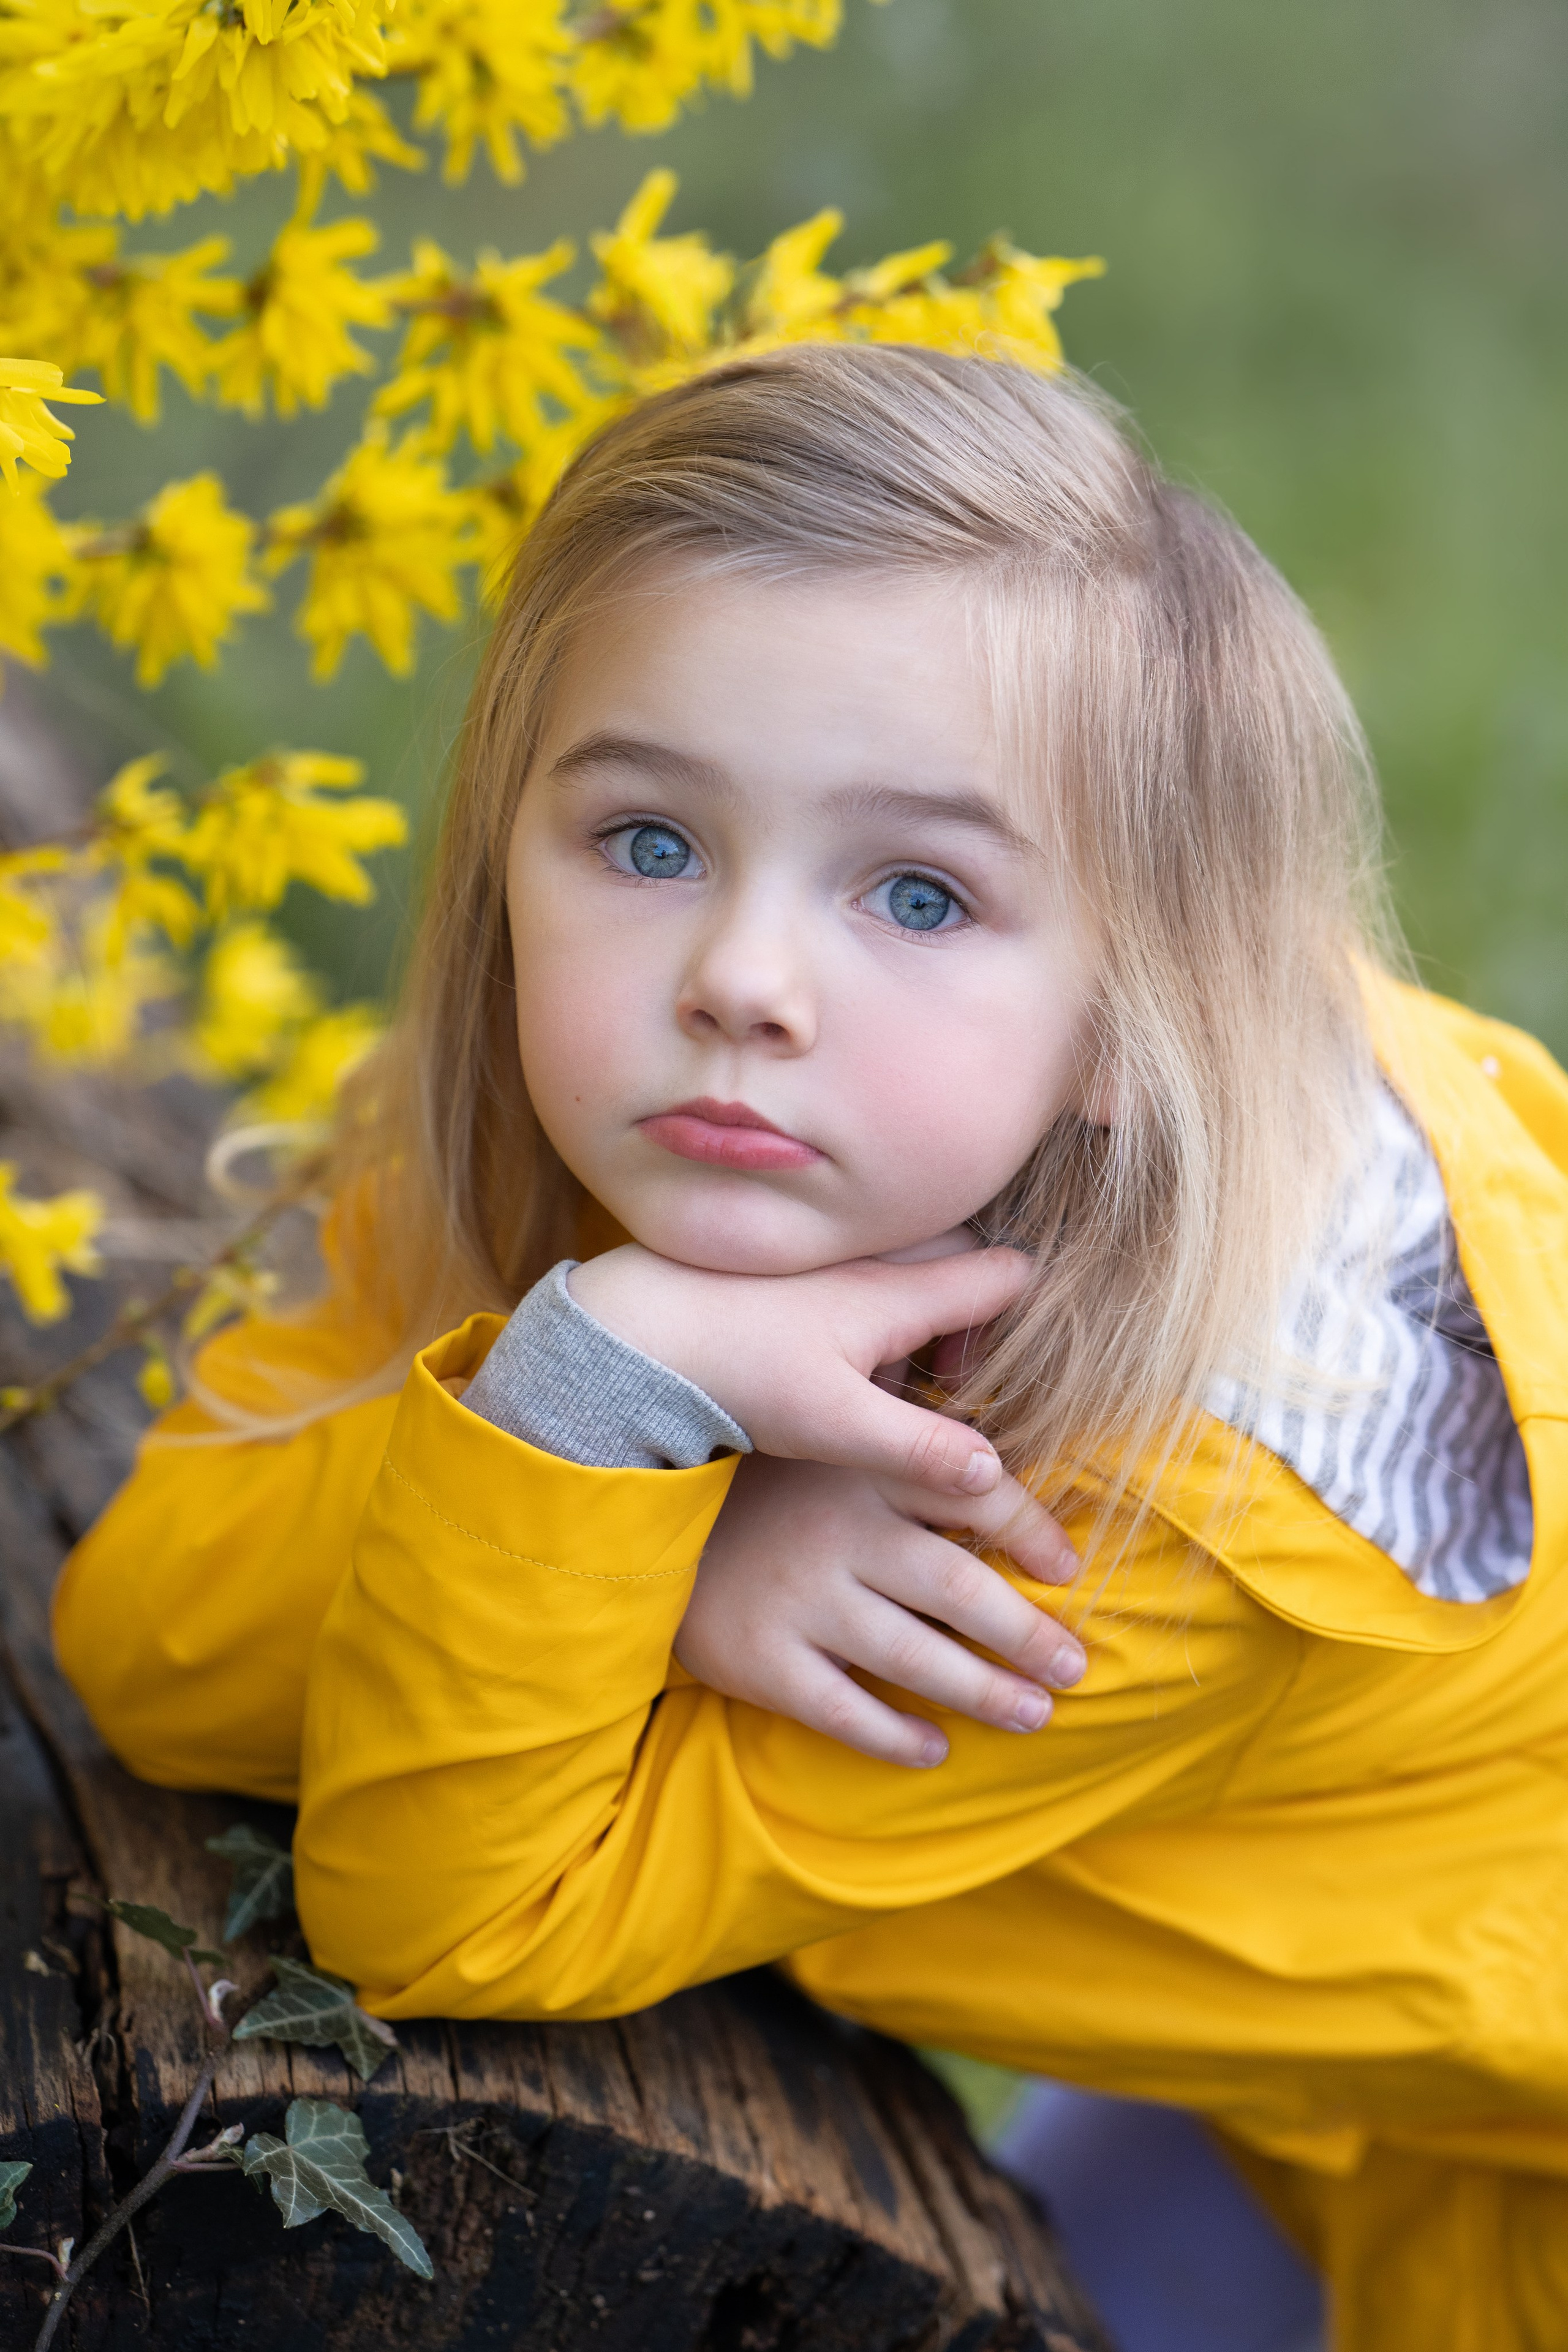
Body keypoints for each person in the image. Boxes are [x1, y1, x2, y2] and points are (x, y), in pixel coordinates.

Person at [53, 345, 1568, 2352]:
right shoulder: (687, 1120)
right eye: (648, 840)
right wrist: (662, 1501)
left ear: (1138, 1023)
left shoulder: (1128, 1524)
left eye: (919, 894)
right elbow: (151, 1644)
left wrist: (591, 1420)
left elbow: (454, 1917)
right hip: (1296, 1986)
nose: (741, 979)